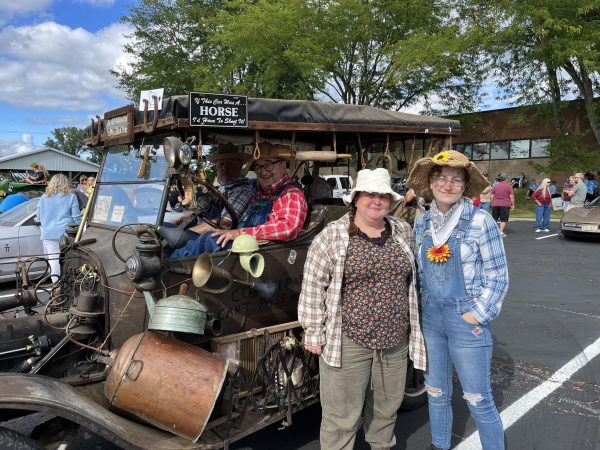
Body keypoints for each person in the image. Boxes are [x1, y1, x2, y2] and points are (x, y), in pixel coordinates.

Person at [298, 168, 426, 450]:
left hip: (394, 340)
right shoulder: (332, 236)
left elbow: (413, 277)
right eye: (369, 194)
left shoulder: (402, 230)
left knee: (385, 411)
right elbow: (312, 285)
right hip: (348, 339)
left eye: (382, 195)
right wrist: (313, 331)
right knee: (341, 416)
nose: (376, 201)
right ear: (355, 198)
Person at [407, 150, 509, 450]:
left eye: (456, 179)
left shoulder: (481, 222)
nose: (447, 185)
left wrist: (476, 315)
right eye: (441, 178)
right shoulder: (423, 222)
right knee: (436, 392)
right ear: (431, 182)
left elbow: (498, 277)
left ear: (465, 186)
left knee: (478, 398)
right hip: (431, 319)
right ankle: (440, 445)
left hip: (466, 318)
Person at [171, 142, 308, 256]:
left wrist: (238, 233)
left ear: (283, 166)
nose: (263, 171)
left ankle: (174, 271)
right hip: (246, 245)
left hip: (263, 251)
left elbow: (287, 228)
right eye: (258, 166)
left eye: (268, 165)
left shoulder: (291, 193)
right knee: (177, 234)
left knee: (209, 240)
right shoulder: (260, 193)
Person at [36, 174, 81, 282]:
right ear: (65, 183)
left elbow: (38, 216)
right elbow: (76, 218)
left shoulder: (43, 198)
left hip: (48, 234)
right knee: (70, 261)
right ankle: (68, 285)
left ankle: (56, 287)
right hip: (66, 235)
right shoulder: (71, 197)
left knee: (53, 261)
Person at [490, 172, 514, 237]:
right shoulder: (508, 186)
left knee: (494, 219)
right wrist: (512, 205)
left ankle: (493, 232)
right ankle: (500, 232)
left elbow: (492, 196)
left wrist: (492, 203)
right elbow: (511, 196)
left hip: (496, 204)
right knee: (503, 220)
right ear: (506, 179)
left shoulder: (495, 186)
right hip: (505, 204)